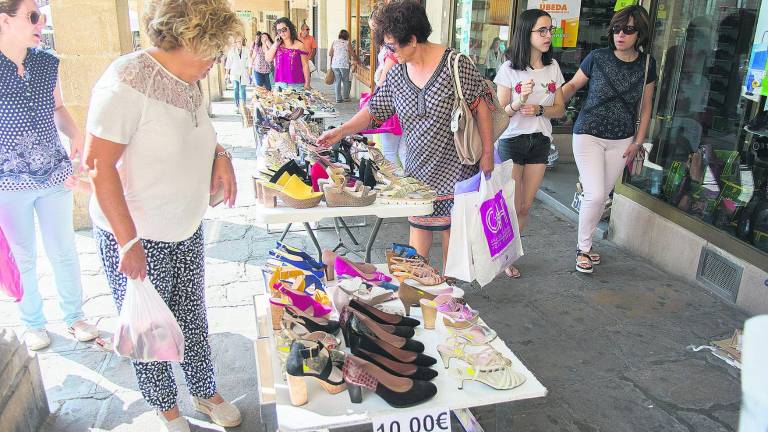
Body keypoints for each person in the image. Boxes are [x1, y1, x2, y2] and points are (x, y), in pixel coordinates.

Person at [83, 0, 241, 430]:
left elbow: (199, 132)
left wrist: (221, 154)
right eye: (212, 50)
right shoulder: (126, 82)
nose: (216, 61)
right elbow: (97, 166)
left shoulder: (189, 79)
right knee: (150, 327)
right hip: (138, 233)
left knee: (192, 313)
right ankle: (166, 407)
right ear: (187, 40)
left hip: (184, 226)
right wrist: (127, 243)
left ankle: (205, 391)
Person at [317, 0, 495, 269]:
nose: (388, 52)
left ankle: (450, 293)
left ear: (412, 39)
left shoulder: (456, 64)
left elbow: (481, 108)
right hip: (418, 171)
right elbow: (374, 110)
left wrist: (487, 155)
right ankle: (419, 289)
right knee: (418, 235)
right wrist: (339, 131)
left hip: (458, 167)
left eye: (391, 46)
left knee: (454, 236)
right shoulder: (397, 73)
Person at [0, 0, 98, 351]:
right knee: (22, 255)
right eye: (32, 15)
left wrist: (76, 134)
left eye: (41, 14)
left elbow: (57, 107)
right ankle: (32, 323)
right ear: (5, 20)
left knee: (63, 249)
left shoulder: (47, 63)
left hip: (54, 173)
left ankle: (75, 317)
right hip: (8, 180)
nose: (41, 21)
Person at [561, 5, 656, 274]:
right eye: (616, 28)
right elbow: (572, 86)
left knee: (601, 197)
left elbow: (646, 106)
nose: (620, 35)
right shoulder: (597, 57)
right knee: (596, 193)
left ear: (640, 34)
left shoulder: (648, 64)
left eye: (628, 29)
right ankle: (583, 248)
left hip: (622, 140)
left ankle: (587, 245)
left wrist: (638, 141)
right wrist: (551, 102)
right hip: (588, 133)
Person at [494, 9, 565, 279]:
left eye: (550, 30)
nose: (548, 36)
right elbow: (501, 113)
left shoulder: (553, 67)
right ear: (527, 33)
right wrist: (519, 101)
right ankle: (501, 255)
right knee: (510, 205)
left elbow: (560, 109)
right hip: (512, 141)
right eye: (542, 31)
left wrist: (539, 110)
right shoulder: (509, 68)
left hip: (540, 141)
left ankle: (509, 253)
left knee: (525, 206)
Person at [370, 10, 406, 167]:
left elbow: (384, 80)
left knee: (391, 151)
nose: (374, 33)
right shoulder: (392, 47)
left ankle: (397, 185)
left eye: (375, 28)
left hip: (391, 103)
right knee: (401, 151)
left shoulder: (392, 50)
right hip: (397, 102)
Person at [266, 17, 310, 91]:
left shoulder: (300, 45)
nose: (282, 33)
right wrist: (276, 43)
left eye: (284, 29)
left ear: (290, 28)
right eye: (279, 31)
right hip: (280, 84)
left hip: (296, 85)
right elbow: (268, 58)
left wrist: (307, 83)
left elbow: (305, 65)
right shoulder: (277, 45)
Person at [224, 36, 250, 113]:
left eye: (240, 41)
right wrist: (227, 73)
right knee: (236, 88)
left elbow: (249, 62)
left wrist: (249, 73)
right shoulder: (232, 51)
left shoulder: (246, 50)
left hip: (243, 72)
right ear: (235, 43)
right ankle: (237, 105)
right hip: (234, 72)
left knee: (242, 89)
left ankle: (244, 105)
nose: (239, 43)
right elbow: (228, 62)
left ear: (242, 41)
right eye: (237, 41)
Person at [329, 29, 355, 102]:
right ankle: (346, 97)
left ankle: (338, 98)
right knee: (346, 81)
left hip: (335, 65)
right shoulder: (347, 43)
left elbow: (330, 53)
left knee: (337, 81)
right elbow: (352, 53)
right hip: (344, 64)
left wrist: (331, 63)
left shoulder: (335, 42)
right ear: (347, 36)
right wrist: (357, 58)